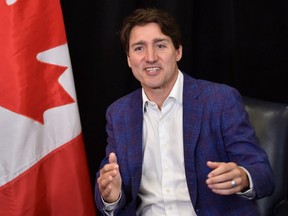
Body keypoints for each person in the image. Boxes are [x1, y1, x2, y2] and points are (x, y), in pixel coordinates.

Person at [95, 7, 274, 216]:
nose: (150, 57)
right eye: (139, 48)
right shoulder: (119, 114)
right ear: (128, 58)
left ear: (178, 51)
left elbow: (263, 175)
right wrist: (111, 195)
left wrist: (242, 177)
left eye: (160, 45)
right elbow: (108, 187)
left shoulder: (220, 100)